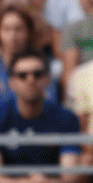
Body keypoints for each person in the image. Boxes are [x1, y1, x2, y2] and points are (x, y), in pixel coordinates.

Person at [0, 50, 79, 180]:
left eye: (37, 74)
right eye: (22, 75)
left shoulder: (66, 118)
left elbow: (70, 175)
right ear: (11, 82)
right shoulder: (2, 115)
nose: (31, 80)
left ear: (48, 78)